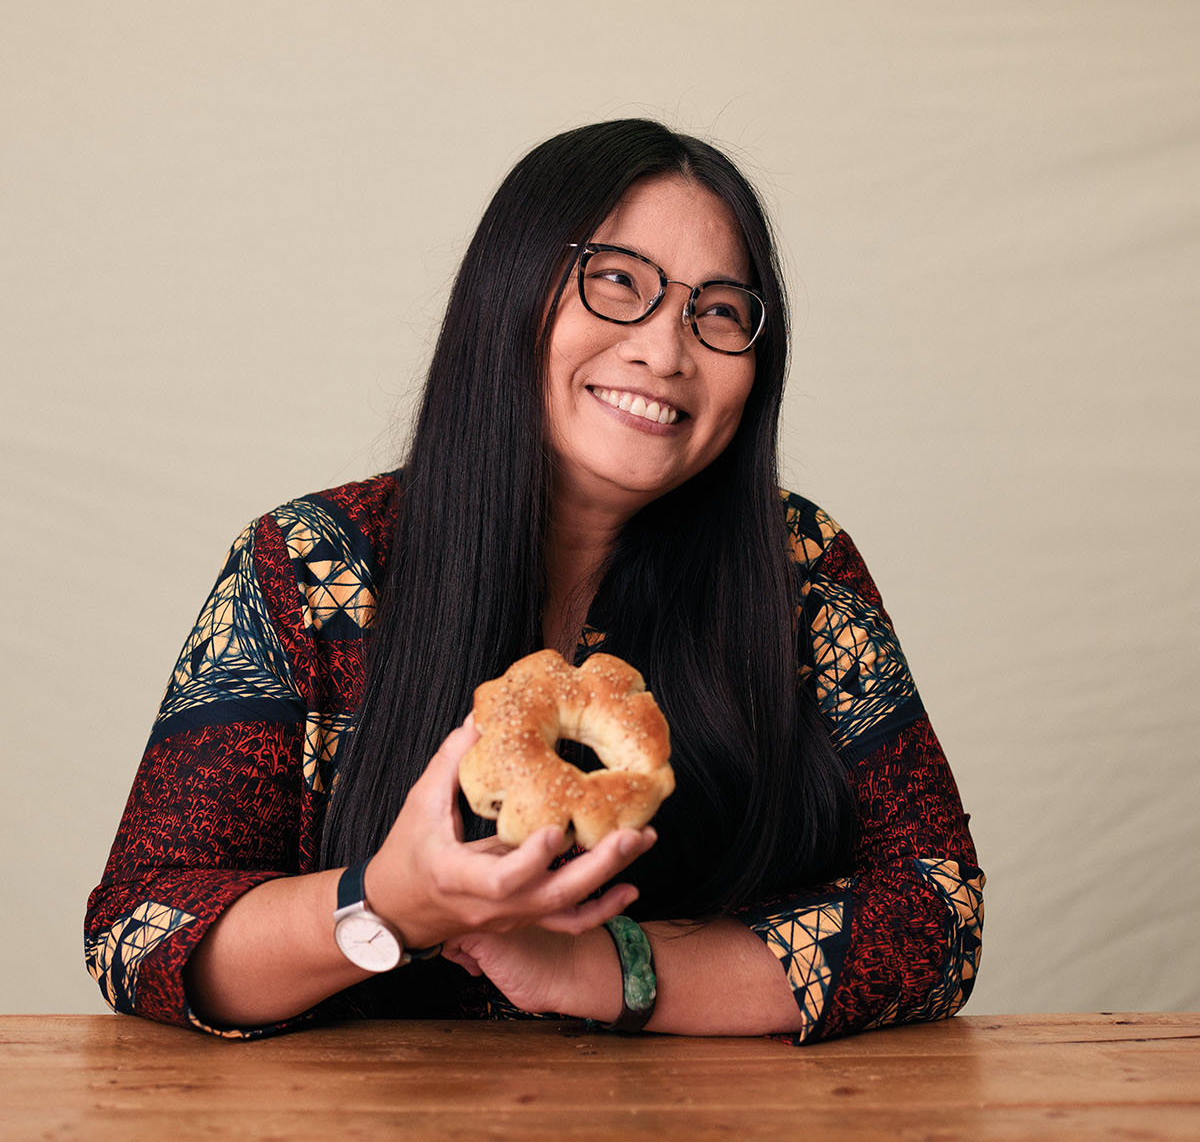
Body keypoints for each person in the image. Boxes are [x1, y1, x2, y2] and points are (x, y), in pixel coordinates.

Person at [85, 119, 983, 1041]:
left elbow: (939, 908)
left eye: (717, 311)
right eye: (617, 280)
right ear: (511, 290)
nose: (666, 352)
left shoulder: (799, 569)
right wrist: (387, 904)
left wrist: (611, 967)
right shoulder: (309, 564)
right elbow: (138, 927)